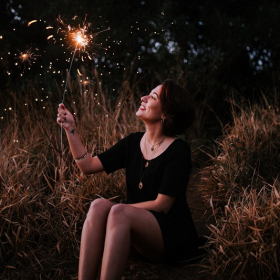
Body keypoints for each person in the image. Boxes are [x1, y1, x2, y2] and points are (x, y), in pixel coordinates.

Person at [57, 79, 200, 280]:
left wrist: (119, 212)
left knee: (118, 211)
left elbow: (162, 205)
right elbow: (87, 166)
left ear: (165, 113)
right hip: (136, 231)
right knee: (98, 205)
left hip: (171, 236)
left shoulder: (178, 150)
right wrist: (70, 129)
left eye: (153, 97)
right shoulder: (133, 142)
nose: (143, 98)